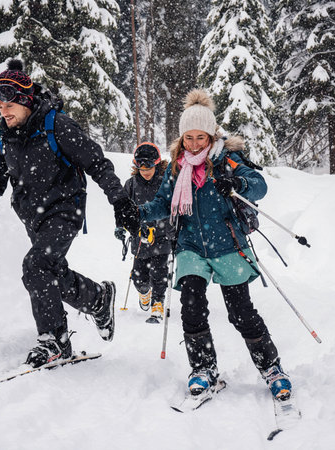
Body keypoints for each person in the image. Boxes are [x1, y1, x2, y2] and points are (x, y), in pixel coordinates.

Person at [117, 89, 292, 400]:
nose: (194, 144)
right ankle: (203, 368)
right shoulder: (176, 167)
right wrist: (136, 214)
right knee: (192, 306)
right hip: (191, 247)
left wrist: (237, 183)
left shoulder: (228, 160)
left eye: (201, 137)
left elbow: (259, 185)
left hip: (227, 245)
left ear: (211, 134)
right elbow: (162, 203)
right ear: (182, 137)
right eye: (189, 138)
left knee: (241, 311)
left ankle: (271, 367)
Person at [0, 59, 138, 368]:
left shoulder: (56, 125)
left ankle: (54, 340)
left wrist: (120, 200)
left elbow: (97, 163)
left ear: (25, 99)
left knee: (35, 265)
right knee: (51, 272)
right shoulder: (2, 135)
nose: (3, 110)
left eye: (9, 102)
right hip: (32, 215)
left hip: (65, 209)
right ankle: (98, 299)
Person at [114, 142, 173, 323]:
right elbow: (121, 208)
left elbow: (172, 205)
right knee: (139, 276)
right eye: (141, 165)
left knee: (159, 271)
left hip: (162, 234)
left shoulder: (165, 182)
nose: (145, 170)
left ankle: (158, 303)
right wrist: (120, 226)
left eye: (149, 165)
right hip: (140, 236)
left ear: (157, 163)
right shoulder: (131, 184)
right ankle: (144, 292)